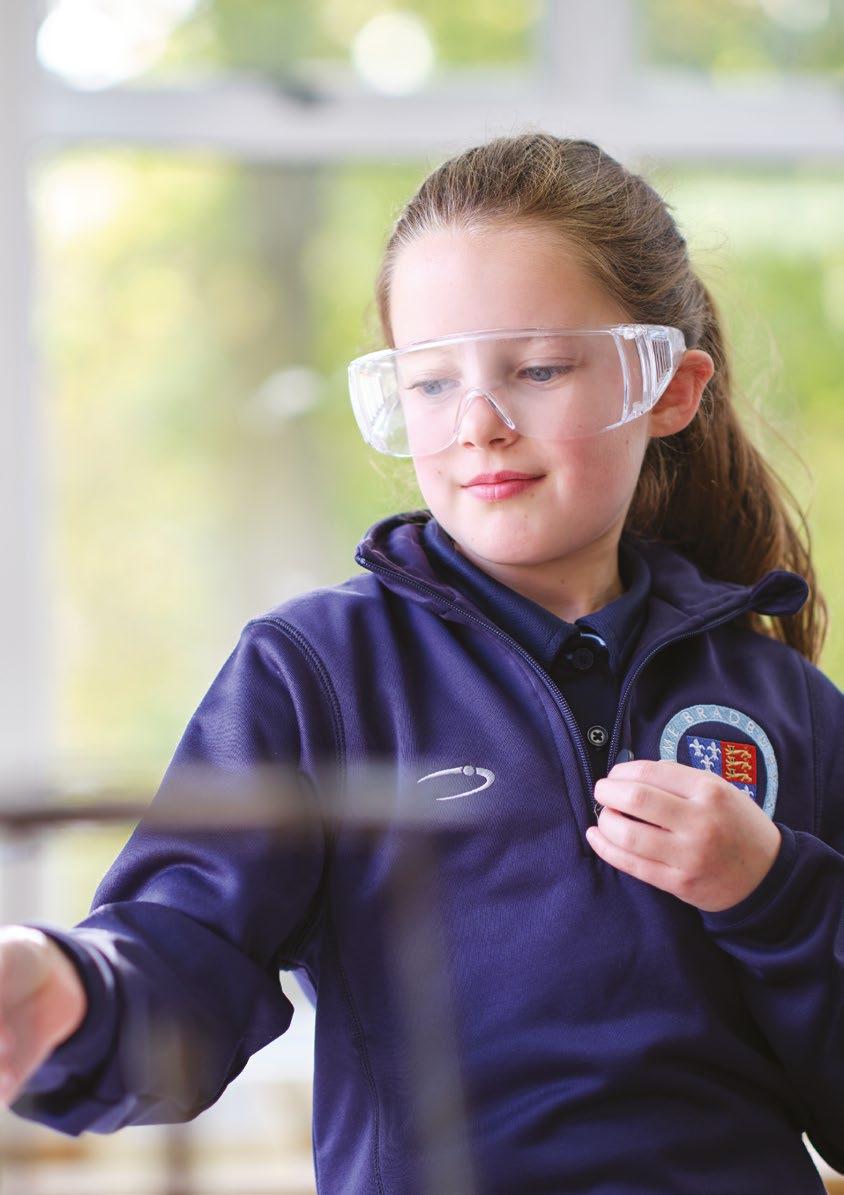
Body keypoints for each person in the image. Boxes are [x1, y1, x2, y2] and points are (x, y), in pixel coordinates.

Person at [1, 132, 842, 1194]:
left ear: (667, 389)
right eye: (432, 382)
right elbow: (185, 953)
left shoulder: (786, 703)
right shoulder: (315, 673)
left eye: (539, 369)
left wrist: (772, 891)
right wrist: (59, 989)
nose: (479, 425)